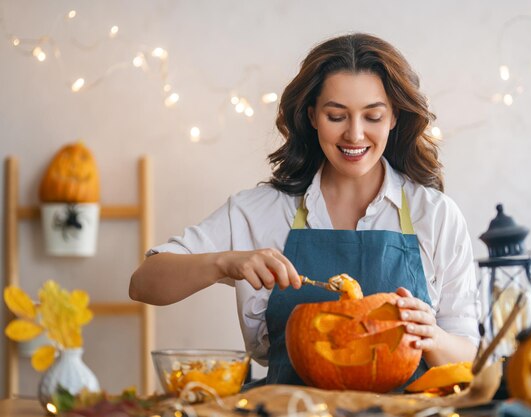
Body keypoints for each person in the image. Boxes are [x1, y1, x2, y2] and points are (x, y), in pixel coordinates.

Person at [130, 33, 480, 386]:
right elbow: (144, 283)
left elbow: (470, 354)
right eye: (336, 116)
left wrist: (433, 337)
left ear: (393, 118)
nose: (355, 135)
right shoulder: (261, 211)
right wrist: (225, 261)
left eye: (372, 116)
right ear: (312, 115)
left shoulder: (435, 215)